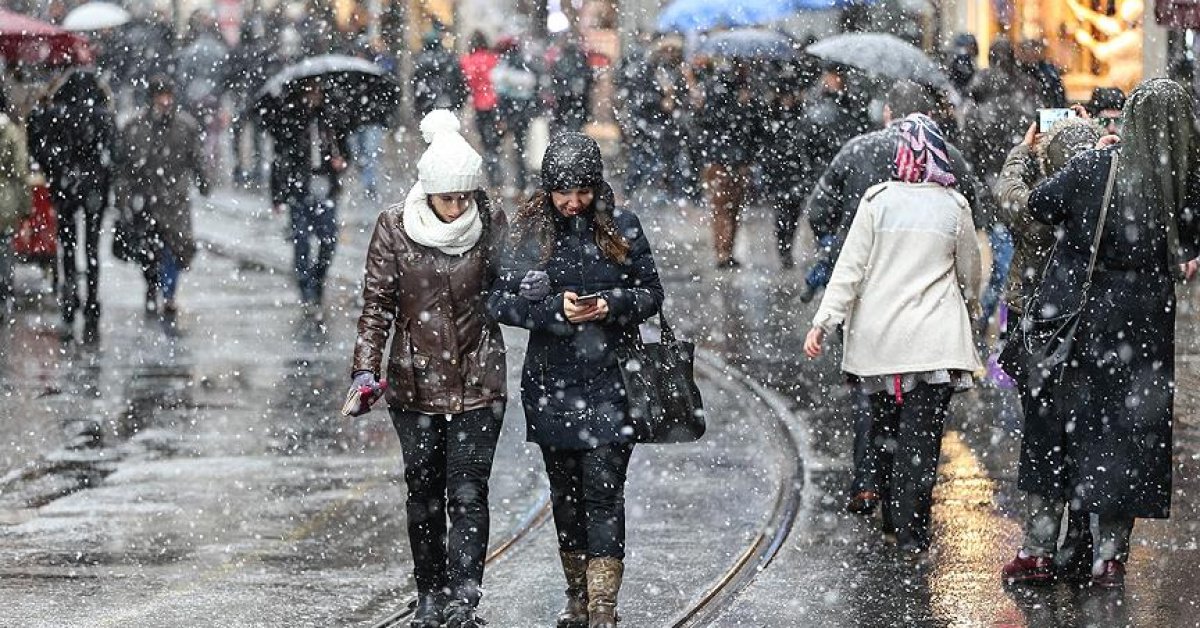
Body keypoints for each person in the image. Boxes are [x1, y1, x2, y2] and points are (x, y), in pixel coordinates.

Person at [1000, 78, 1200, 588]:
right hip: (1144, 333)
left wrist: (1060, 153)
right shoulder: (1183, 185)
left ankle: (1038, 549)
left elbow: (1037, 206)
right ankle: (1109, 558)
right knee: (1126, 438)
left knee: (1054, 432)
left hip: (1079, 322)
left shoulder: (1097, 167)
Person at [489, 132, 663, 628]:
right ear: (547, 189)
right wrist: (552, 311)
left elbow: (651, 294)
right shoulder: (528, 235)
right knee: (565, 497)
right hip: (552, 387)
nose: (572, 202)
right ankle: (578, 595)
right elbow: (499, 301)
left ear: (596, 186)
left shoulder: (623, 227)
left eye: (582, 191)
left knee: (604, 492)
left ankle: (603, 603)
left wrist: (610, 304)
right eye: (563, 192)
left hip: (614, 382)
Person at [804, 81, 992, 516]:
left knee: (873, 405)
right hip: (932, 332)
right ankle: (910, 520)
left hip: (874, 315)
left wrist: (826, 314)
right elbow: (971, 253)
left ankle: (870, 483)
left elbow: (825, 223)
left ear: (889, 113)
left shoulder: (863, 168)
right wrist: (971, 308)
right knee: (922, 430)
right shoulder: (951, 179)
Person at [349, 110, 508, 628]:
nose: (458, 207)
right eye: (448, 198)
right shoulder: (395, 227)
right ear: (428, 192)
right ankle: (430, 594)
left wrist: (528, 289)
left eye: (464, 197)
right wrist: (364, 370)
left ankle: (463, 598)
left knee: (468, 492)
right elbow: (377, 306)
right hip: (414, 383)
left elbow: (508, 286)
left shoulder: (490, 221)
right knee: (423, 493)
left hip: (479, 379)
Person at [994, 116, 1102, 584]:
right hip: (1088, 326)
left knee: (1043, 435)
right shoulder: (1101, 194)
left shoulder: (1041, 205)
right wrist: (1093, 139)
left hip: (1037, 327)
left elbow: (1007, 194)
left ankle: (1038, 548)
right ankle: (1080, 542)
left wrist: (1023, 150)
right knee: (1085, 435)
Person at [27, 69, 115, 342]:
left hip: (66, 186)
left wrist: (56, 170)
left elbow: (37, 143)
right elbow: (114, 152)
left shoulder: (55, 114)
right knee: (91, 247)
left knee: (68, 244)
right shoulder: (101, 115)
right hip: (93, 188)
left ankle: (70, 294)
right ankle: (92, 300)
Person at [117, 76, 210, 318]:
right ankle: (151, 288)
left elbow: (196, 157)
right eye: (161, 96)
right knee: (149, 250)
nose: (165, 101)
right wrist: (124, 198)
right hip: (146, 199)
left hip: (174, 199)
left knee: (175, 248)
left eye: (168, 96)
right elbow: (125, 167)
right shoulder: (136, 127)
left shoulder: (185, 126)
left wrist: (203, 181)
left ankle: (169, 295)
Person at [264, 82, 348, 313]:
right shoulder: (290, 121)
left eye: (317, 90)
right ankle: (306, 289)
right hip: (299, 190)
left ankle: (318, 278)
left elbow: (344, 150)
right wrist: (277, 196)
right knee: (301, 241)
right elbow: (279, 160)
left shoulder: (331, 120)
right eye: (310, 90)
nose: (314, 95)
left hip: (325, 187)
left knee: (328, 240)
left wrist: (340, 162)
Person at [692, 57, 760, 268]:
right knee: (723, 208)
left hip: (733, 160)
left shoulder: (735, 90)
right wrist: (742, 107)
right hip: (723, 160)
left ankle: (726, 251)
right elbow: (716, 121)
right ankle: (723, 251)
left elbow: (754, 128)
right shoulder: (721, 90)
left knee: (732, 208)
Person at [492, 36, 541, 194]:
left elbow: (501, 94)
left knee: (498, 149)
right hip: (523, 114)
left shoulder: (504, 66)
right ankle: (521, 185)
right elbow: (534, 90)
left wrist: (501, 116)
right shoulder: (526, 64)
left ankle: (499, 183)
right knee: (520, 150)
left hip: (509, 112)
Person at [0, 89, 30, 309]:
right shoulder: (10, 131)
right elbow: (20, 172)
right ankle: (3, 295)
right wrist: (26, 208)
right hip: (5, 199)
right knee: (4, 246)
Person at [461, 32, 501, 188]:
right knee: (495, 143)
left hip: (479, 106)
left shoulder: (467, 61)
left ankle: (492, 177)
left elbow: (467, 83)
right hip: (495, 105)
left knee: (485, 142)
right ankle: (497, 175)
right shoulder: (493, 59)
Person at [413, 32, 468, 118]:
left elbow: (417, 86)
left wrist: (418, 105)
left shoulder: (421, 61)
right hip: (448, 104)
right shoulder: (449, 58)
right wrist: (460, 101)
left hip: (427, 105)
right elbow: (459, 82)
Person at [550, 39, 594, 133]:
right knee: (574, 123)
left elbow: (556, 77)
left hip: (566, 99)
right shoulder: (580, 59)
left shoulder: (562, 59)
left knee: (565, 124)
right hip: (575, 100)